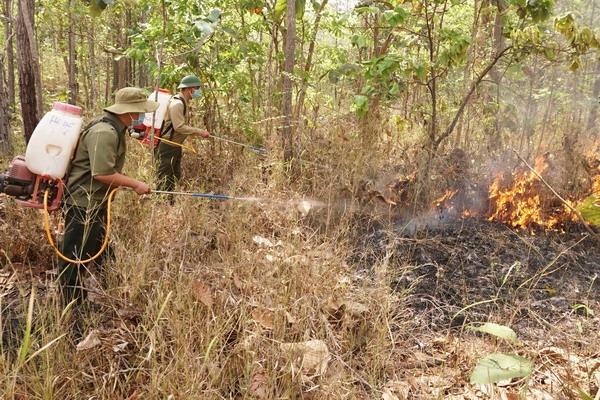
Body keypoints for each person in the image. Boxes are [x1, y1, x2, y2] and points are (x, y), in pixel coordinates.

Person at [59, 87, 159, 306]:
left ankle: (111, 290)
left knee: (100, 247)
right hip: (83, 202)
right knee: (74, 258)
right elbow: (102, 173)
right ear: (130, 111)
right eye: (141, 111)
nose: (143, 115)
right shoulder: (104, 132)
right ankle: (70, 308)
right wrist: (136, 184)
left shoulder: (114, 127)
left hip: (96, 201)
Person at [155, 75, 211, 203]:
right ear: (188, 89)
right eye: (196, 88)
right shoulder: (177, 104)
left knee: (174, 176)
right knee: (164, 177)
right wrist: (199, 132)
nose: (198, 92)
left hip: (175, 146)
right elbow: (179, 127)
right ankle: (159, 203)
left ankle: (169, 202)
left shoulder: (184, 103)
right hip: (167, 146)